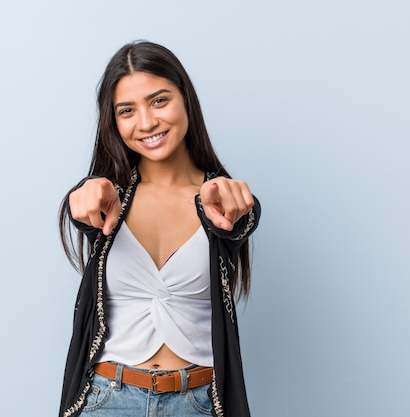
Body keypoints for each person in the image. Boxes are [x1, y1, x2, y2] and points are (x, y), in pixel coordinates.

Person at [58, 41, 260, 417]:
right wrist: (80, 194)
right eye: (127, 110)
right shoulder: (106, 200)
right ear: (113, 121)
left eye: (159, 100)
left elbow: (241, 219)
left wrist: (230, 198)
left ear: (186, 100)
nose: (147, 122)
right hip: (108, 400)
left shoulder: (221, 203)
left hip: (198, 402)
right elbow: (82, 207)